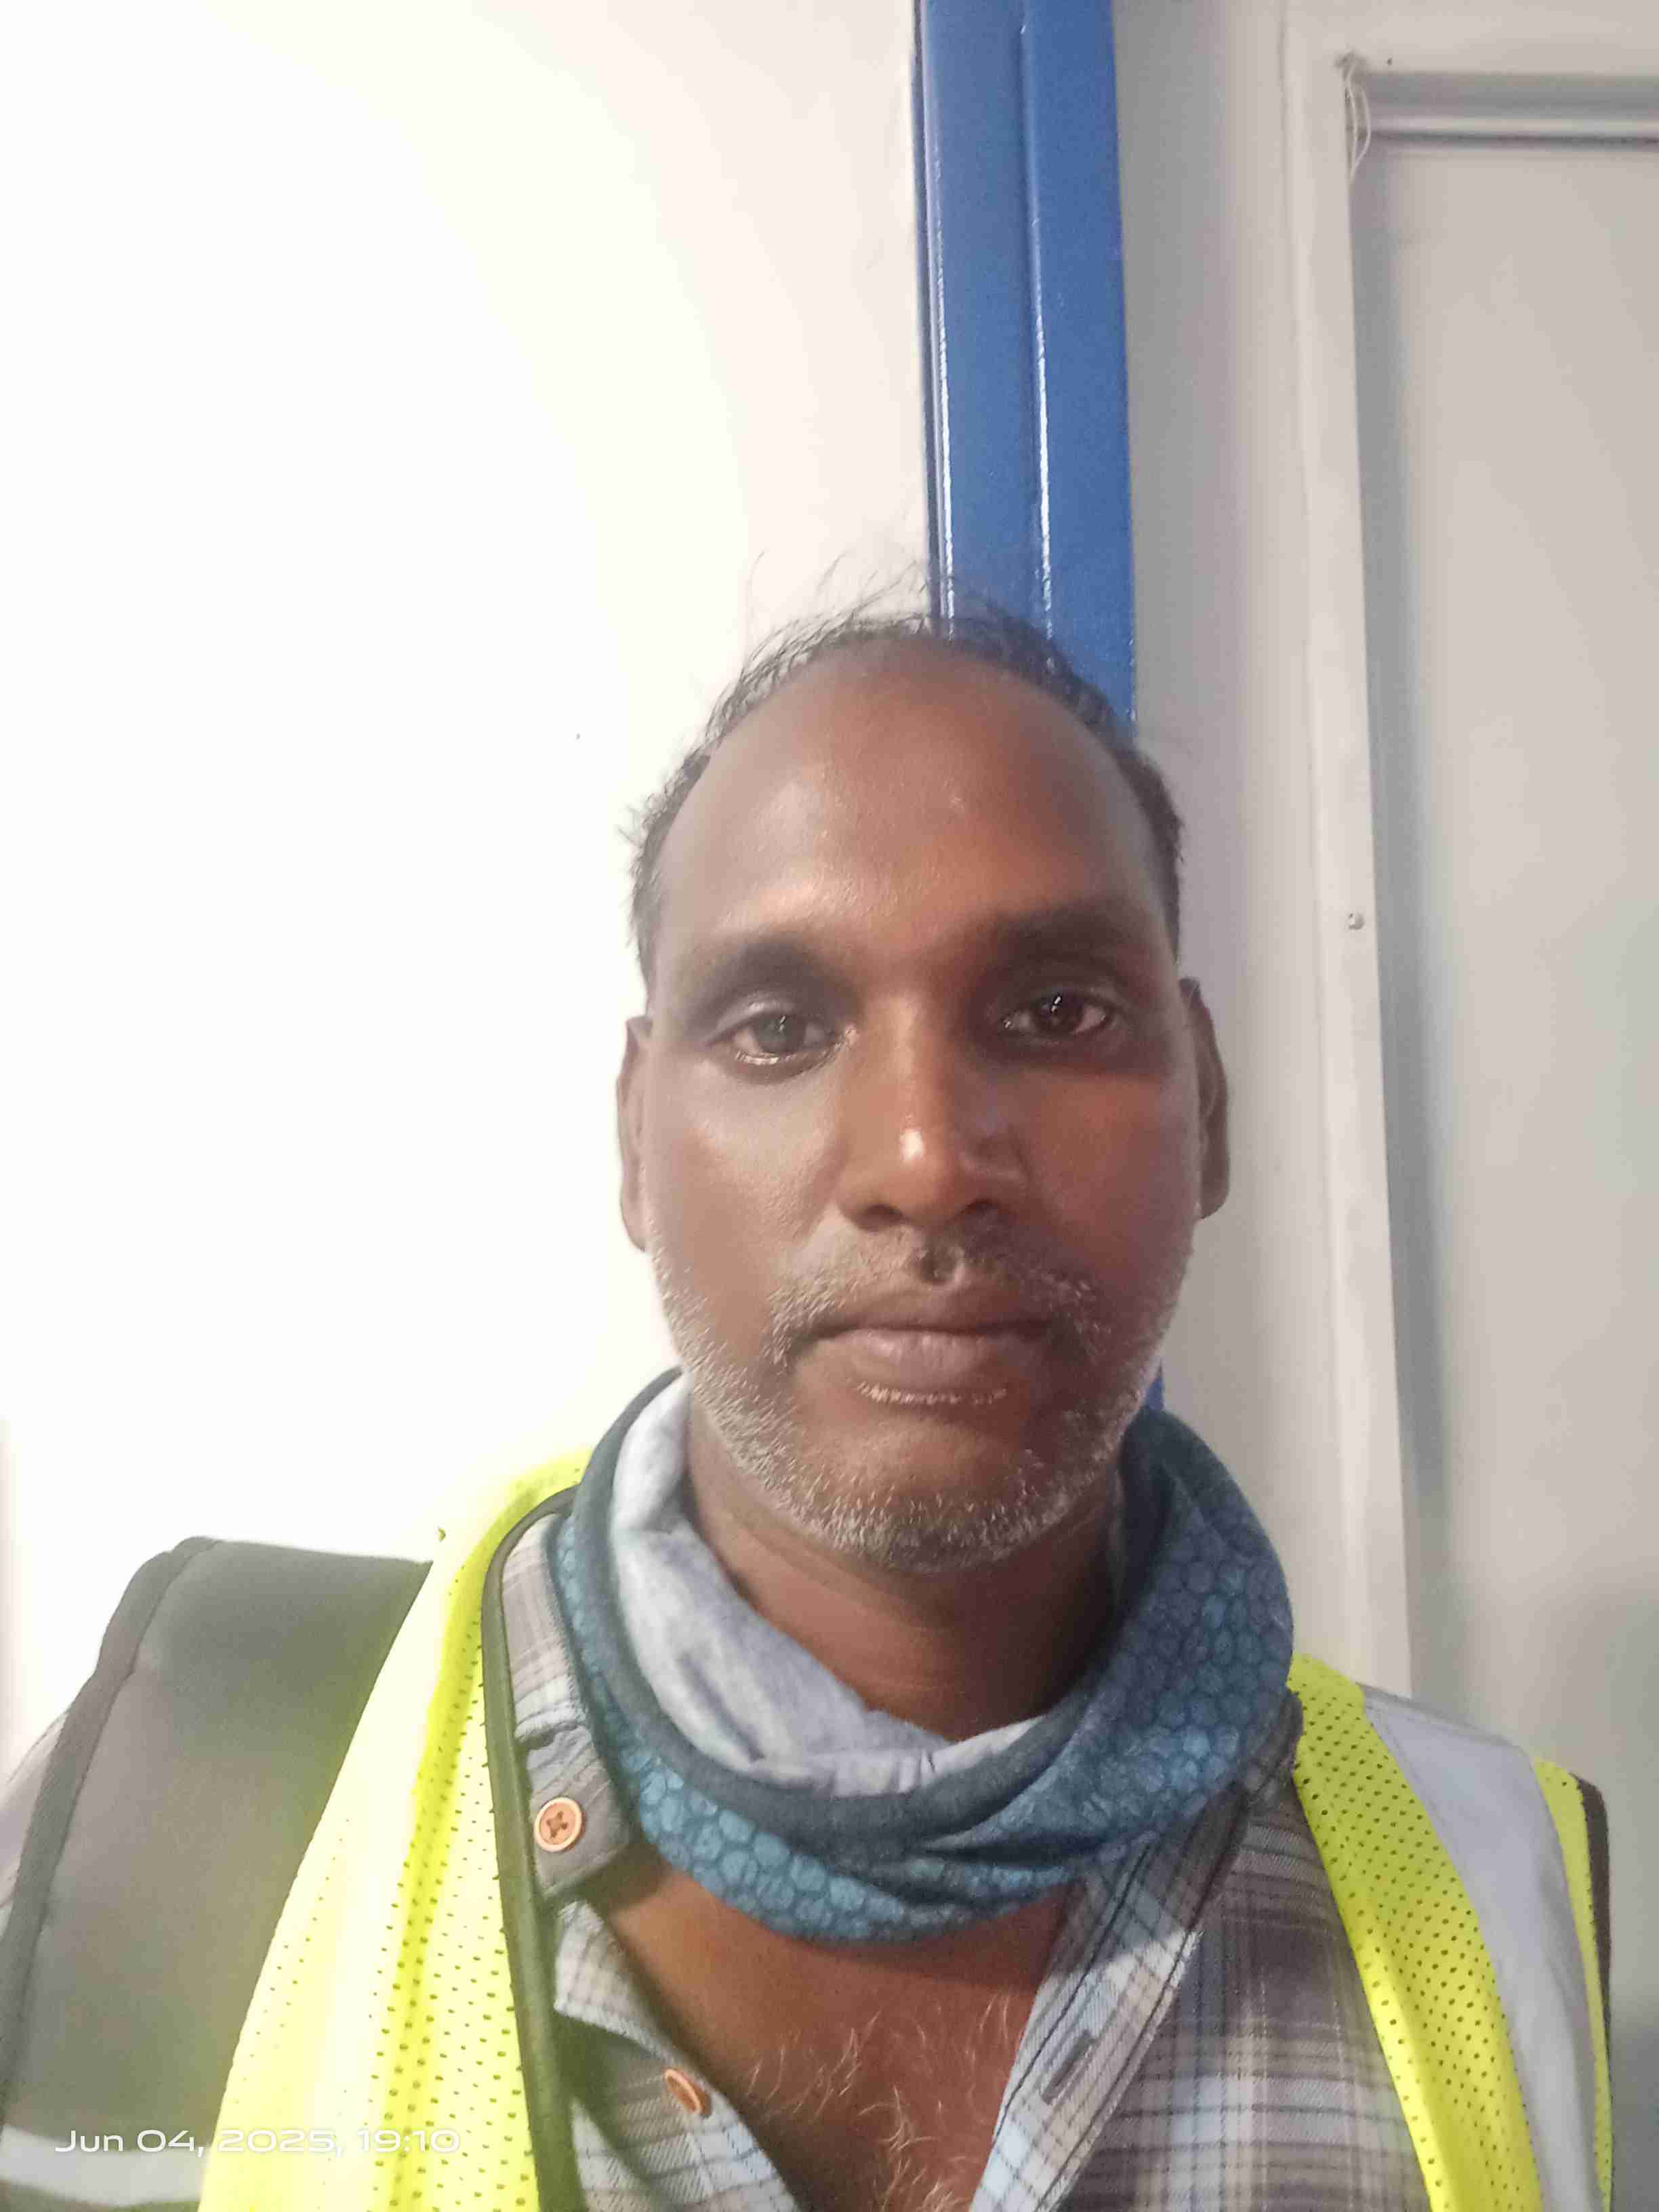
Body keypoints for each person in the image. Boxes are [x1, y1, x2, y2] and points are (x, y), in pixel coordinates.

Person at [0, 608, 1612, 2212]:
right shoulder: (178, 1815)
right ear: (635, 1141)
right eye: (778, 1028)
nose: (925, 1161)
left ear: (1210, 1107)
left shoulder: (1499, 1884)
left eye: (1057, 1011)